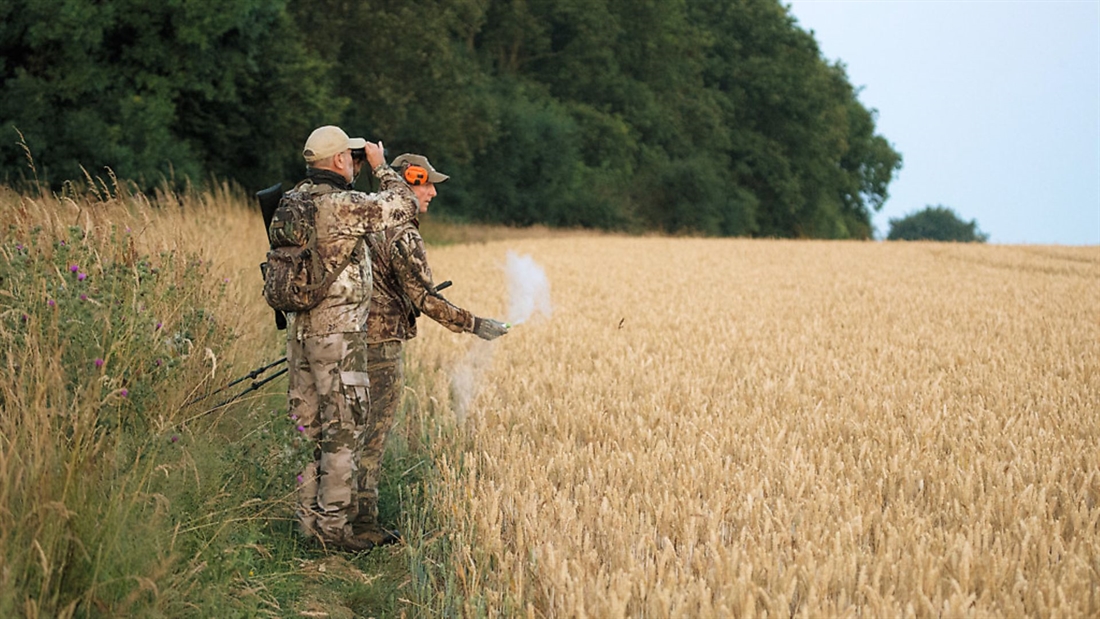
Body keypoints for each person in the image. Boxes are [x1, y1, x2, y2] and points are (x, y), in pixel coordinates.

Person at [353, 153, 509, 539]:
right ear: (411, 181)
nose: (434, 192)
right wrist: (476, 324)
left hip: (346, 338)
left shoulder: (367, 220)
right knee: (371, 435)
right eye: (427, 184)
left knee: (344, 431)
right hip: (379, 346)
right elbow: (426, 299)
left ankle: (329, 514)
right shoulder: (403, 232)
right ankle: (361, 524)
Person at [282, 126, 419, 552]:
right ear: (340, 160)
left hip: (300, 332)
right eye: (352, 158)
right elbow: (404, 206)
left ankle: (307, 525)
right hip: (338, 335)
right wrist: (381, 168)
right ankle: (334, 531)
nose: (355, 164)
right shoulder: (343, 204)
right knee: (344, 429)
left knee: (305, 428)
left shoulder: (293, 200)